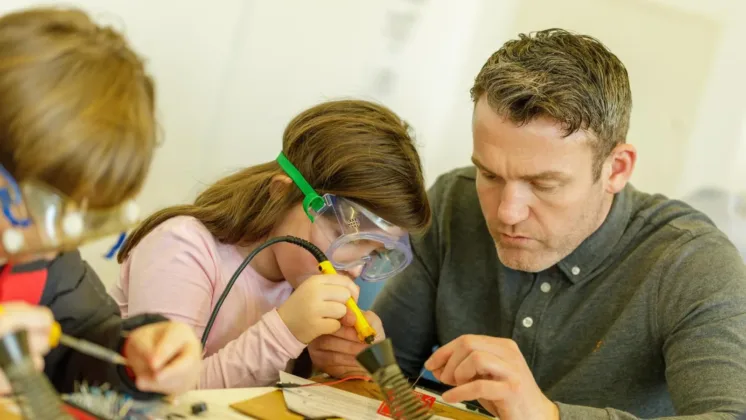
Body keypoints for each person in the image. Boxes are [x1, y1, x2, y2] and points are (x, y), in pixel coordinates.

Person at [308, 29, 746, 419]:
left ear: (616, 168)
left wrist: (550, 416)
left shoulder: (692, 263)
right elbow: (389, 376)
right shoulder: (452, 202)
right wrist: (352, 362)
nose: (507, 212)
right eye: (491, 175)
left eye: (544, 184)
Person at [111, 99, 431, 389]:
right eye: (341, 238)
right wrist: (286, 332)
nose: (356, 269)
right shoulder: (182, 248)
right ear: (281, 193)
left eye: (373, 254)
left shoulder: (297, 278)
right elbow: (163, 392)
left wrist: (337, 364)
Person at [0, 7, 201, 397]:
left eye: (85, 220)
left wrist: (132, 355)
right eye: (47, 209)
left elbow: (81, 341)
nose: (56, 242)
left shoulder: (47, 264)